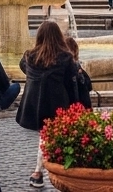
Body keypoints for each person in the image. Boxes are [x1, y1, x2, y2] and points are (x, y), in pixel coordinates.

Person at [16, 20, 82, 189]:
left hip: (34, 105)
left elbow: (24, 68)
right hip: (57, 105)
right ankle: (41, 172)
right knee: (49, 137)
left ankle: (40, 172)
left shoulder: (29, 56)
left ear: (39, 36)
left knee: (45, 137)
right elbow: (71, 82)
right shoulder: (66, 58)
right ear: (59, 37)